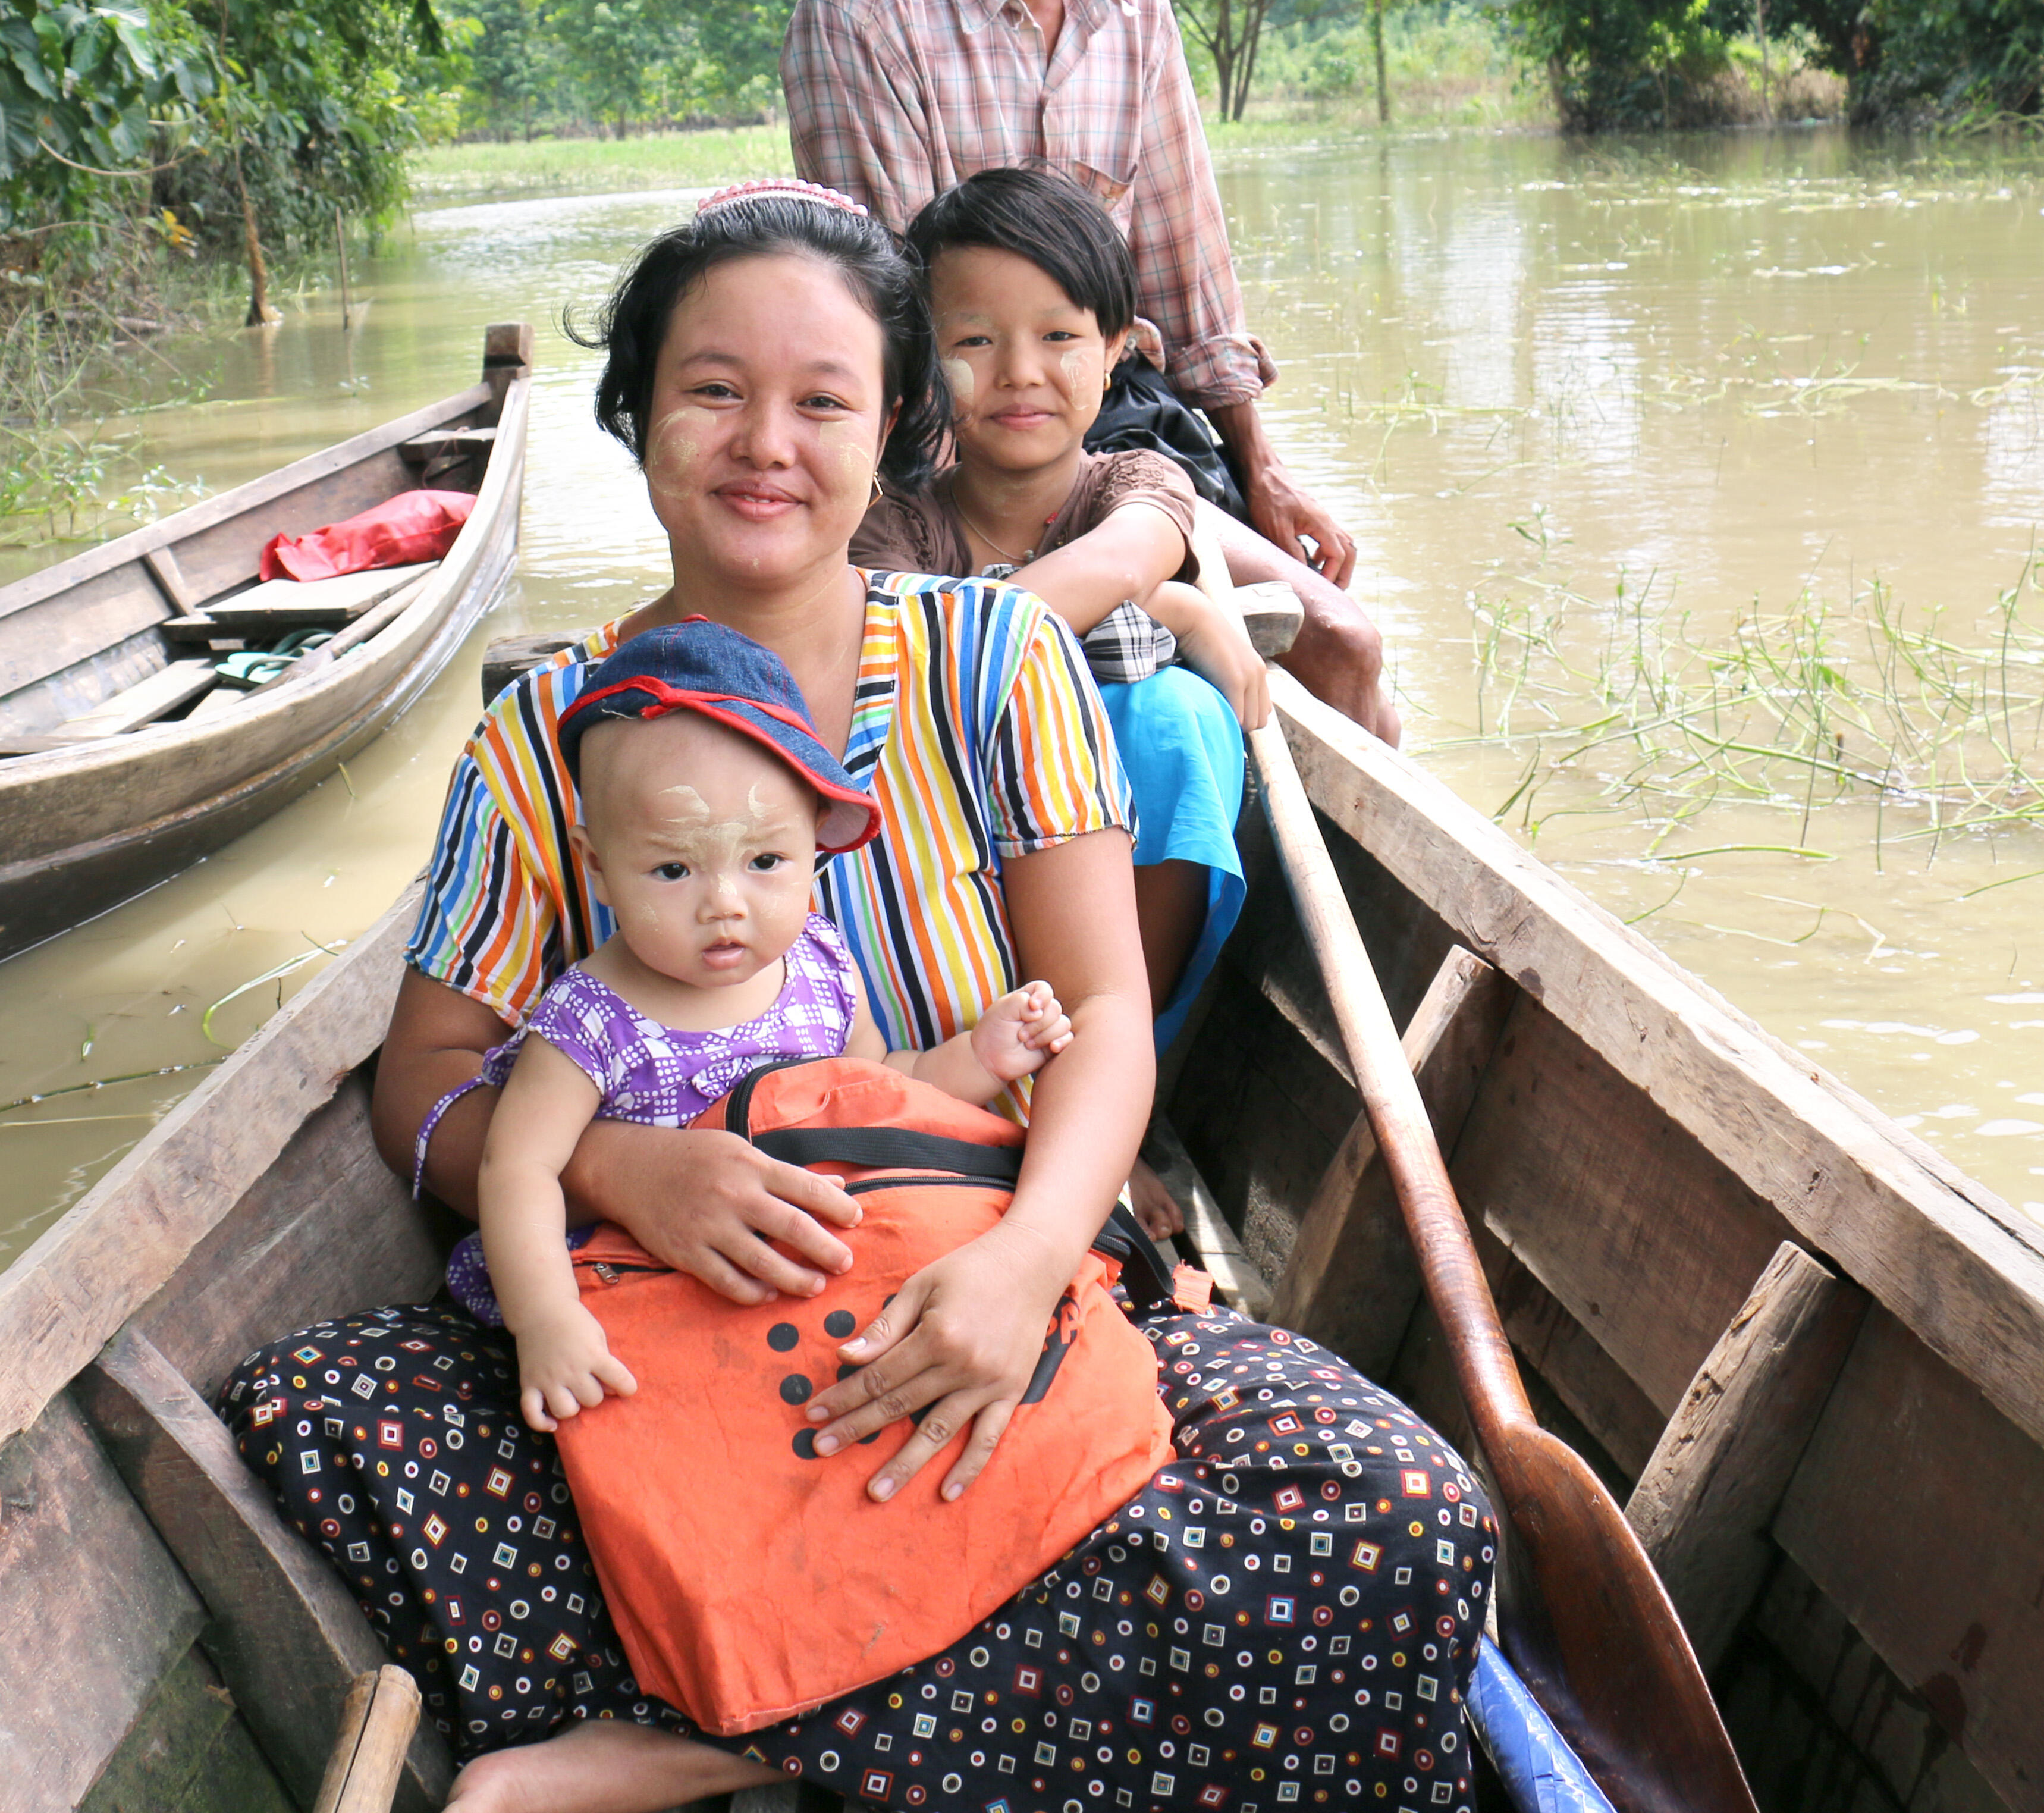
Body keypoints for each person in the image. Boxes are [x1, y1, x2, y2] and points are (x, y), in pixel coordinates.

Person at [229, 179, 1490, 1813]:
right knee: (327, 1416)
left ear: (893, 427)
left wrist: (1030, 1265)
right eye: (713, 390)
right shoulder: (543, 737)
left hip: (987, 1276)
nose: (767, 441)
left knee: (1397, 1515)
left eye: (823, 400)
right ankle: (922, 1675)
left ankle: (721, 1730)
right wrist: (621, 1167)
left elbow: (1103, 1016)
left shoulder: (993, 660)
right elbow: (433, 1083)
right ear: (634, 415)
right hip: (690, 1330)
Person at [783, 0, 1402, 742]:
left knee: (1343, 641)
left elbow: (1185, 260)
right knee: (1030, 692)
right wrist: (980, 543)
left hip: (1115, 426)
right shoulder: (863, 10)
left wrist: (1262, 471)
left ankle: (1338, 910)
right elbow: (881, 329)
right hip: (947, 441)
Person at [461, 615, 1074, 1429]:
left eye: (764, 861)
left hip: (800, 1278)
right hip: (641, 1291)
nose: (726, 902)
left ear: (812, 850)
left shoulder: (818, 965)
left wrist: (984, 1054)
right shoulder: (589, 1019)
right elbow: (517, 1170)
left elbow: (882, 1086)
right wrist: (547, 1320)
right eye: (674, 868)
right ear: (599, 866)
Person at [850, 166, 1254, 1234]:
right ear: (921, 365)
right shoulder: (892, 524)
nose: (1019, 373)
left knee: (1173, 720)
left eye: (1060, 338)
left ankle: (1108, 1111)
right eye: (974, 340)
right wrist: (1184, 612)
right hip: (959, 852)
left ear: (1120, 347)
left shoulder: (1138, 484)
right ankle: (998, 1092)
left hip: (1105, 879)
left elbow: (1109, 564)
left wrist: (1162, 593)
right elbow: (945, 655)